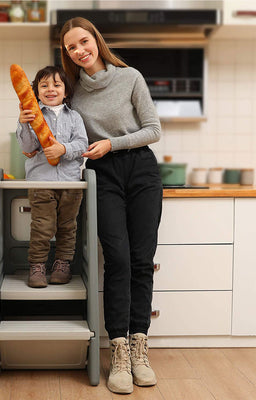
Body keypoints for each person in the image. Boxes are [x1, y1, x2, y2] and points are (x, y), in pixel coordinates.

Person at [60, 17, 163, 394]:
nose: (80, 50)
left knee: (140, 260)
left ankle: (139, 347)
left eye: (83, 41)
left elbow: (153, 130)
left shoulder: (129, 77)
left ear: (96, 41)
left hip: (141, 170)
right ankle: (118, 350)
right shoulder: (72, 93)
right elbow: (58, 129)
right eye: (71, 47)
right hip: (101, 176)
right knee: (116, 259)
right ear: (67, 53)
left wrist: (111, 144)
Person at [16, 65, 88, 289]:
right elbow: (27, 146)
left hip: (70, 183)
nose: (50, 89)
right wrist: (23, 123)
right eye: (44, 85)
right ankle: (37, 266)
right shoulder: (30, 115)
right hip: (41, 182)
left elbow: (82, 144)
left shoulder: (75, 117)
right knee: (42, 226)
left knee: (67, 226)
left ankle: (62, 265)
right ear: (36, 91)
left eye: (57, 85)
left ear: (65, 91)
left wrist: (63, 149)